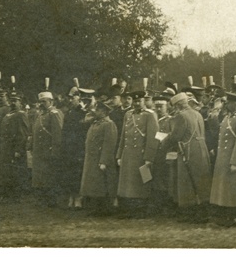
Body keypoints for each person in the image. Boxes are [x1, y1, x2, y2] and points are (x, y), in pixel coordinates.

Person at [160, 92, 212, 222]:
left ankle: (191, 213)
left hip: (188, 150)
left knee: (187, 181)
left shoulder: (181, 116)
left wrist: (162, 142)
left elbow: (175, 136)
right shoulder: (198, 114)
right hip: (201, 148)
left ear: (177, 106)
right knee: (201, 180)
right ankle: (204, 211)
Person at [115, 83, 159, 217]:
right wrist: (119, 154)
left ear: (144, 101)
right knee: (127, 184)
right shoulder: (128, 114)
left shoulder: (150, 115)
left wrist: (149, 157)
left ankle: (141, 211)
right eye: (134, 101)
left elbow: (153, 138)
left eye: (139, 101)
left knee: (141, 183)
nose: (136, 104)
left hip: (141, 154)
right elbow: (124, 135)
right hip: (128, 154)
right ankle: (128, 210)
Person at [209, 91, 236, 227]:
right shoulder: (228, 118)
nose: (227, 105)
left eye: (230, 103)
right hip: (223, 158)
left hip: (233, 158)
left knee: (233, 189)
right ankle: (225, 215)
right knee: (224, 189)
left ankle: (233, 217)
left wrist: (235, 162)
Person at [80, 100, 118, 216]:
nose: (95, 111)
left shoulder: (109, 124)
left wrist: (104, 161)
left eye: (98, 110)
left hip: (100, 160)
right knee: (93, 185)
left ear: (104, 111)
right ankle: (94, 208)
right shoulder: (95, 123)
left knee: (102, 185)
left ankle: (104, 209)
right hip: (92, 159)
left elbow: (109, 144)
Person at [31, 90, 65, 207]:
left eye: (44, 101)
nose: (41, 104)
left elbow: (58, 134)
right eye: (40, 102)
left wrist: (55, 151)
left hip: (49, 150)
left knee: (49, 176)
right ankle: (42, 199)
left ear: (51, 101)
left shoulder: (55, 114)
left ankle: (52, 200)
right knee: (40, 176)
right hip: (39, 151)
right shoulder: (40, 114)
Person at [61, 86, 91, 209]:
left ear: (79, 99)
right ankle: (71, 196)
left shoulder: (84, 113)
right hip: (69, 147)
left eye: (73, 98)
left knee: (78, 172)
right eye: (70, 98)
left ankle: (79, 197)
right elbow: (65, 131)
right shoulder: (69, 113)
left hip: (79, 147)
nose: (70, 100)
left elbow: (85, 131)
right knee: (69, 172)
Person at [0, 92, 30, 202]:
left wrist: (18, 150)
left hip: (15, 149)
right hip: (6, 148)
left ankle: (16, 196)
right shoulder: (8, 114)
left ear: (21, 103)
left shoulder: (21, 114)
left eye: (15, 101)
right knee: (6, 171)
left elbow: (23, 133)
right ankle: (6, 194)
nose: (12, 103)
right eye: (11, 100)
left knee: (16, 172)